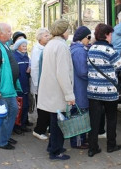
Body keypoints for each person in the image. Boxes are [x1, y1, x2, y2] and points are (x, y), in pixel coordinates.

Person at [87, 23, 121, 157]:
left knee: (94, 120)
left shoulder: (91, 49)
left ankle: (92, 148)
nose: (112, 37)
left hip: (93, 92)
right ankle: (111, 145)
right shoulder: (110, 51)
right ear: (106, 35)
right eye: (111, 35)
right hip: (109, 93)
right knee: (111, 119)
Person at [37, 19, 75, 160]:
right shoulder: (62, 46)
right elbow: (63, 73)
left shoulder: (50, 44)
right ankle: (56, 151)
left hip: (50, 89)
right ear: (64, 31)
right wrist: (69, 95)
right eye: (68, 30)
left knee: (55, 120)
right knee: (59, 123)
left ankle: (52, 146)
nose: (69, 33)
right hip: (58, 91)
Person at [69, 26, 92, 149]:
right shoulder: (79, 51)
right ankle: (78, 141)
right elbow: (82, 71)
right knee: (79, 116)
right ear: (83, 37)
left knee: (79, 114)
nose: (89, 40)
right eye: (89, 37)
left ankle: (81, 139)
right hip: (80, 88)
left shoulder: (76, 48)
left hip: (77, 87)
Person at [31, 28, 51, 140]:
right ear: (39, 38)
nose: (48, 37)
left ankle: (46, 126)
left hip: (46, 83)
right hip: (39, 84)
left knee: (47, 107)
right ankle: (39, 130)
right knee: (43, 108)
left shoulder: (46, 47)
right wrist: (37, 85)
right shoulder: (37, 50)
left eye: (48, 35)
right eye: (45, 36)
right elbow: (34, 68)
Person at [12, 38, 32, 133]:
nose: (25, 48)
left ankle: (23, 125)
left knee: (25, 106)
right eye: (23, 46)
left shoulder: (26, 57)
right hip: (18, 86)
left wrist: (29, 71)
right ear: (18, 47)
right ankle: (16, 127)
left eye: (25, 46)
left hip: (25, 85)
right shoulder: (14, 57)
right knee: (18, 107)